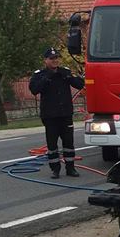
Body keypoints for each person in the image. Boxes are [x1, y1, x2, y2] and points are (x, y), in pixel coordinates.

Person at [29, 48, 85, 179]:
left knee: (68, 143)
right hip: (50, 116)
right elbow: (34, 90)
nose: (55, 61)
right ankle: (55, 169)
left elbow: (79, 84)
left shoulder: (64, 72)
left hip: (65, 114)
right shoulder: (40, 74)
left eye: (56, 58)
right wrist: (47, 77)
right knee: (52, 145)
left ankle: (70, 168)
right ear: (46, 60)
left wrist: (69, 76)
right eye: (52, 59)